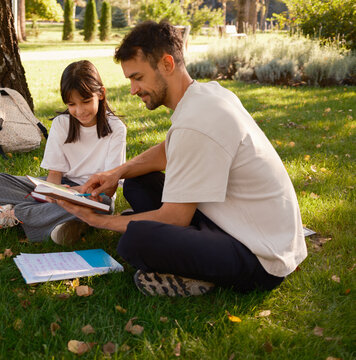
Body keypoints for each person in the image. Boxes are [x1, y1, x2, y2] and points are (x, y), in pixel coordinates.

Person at [53, 21, 307, 297]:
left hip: (260, 257)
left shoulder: (197, 122)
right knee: (137, 181)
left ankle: (197, 277)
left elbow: (174, 218)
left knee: (133, 242)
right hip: (236, 225)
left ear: (167, 64)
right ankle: (186, 256)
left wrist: (98, 221)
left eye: (137, 77)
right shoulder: (207, 95)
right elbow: (167, 150)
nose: (133, 90)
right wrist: (117, 172)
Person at [0, 60, 127, 245]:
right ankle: (63, 223)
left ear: (100, 93)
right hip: (62, 187)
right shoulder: (61, 123)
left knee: (103, 205)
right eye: (72, 104)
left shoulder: (116, 129)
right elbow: (54, 174)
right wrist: (55, 193)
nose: (80, 110)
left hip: (94, 195)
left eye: (85, 101)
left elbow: (110, 187)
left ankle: (14, 215)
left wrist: (73, 194)